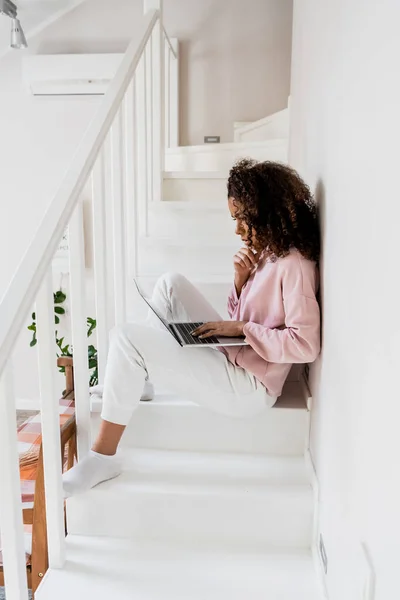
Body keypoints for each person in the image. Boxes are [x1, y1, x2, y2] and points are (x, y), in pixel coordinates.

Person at [63, 159, 321, 498]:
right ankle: (141, 380)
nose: (238, 229)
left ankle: (102, 457)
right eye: (235, 218)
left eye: (243, 217)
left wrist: (242, 329)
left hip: (250, 388)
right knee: (170, 284)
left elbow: (306, 345)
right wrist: (240, 284)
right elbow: (245, 316)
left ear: (268, 211)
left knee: (125, 339)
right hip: (237, 357)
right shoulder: (268, 254)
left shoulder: (295, 266)